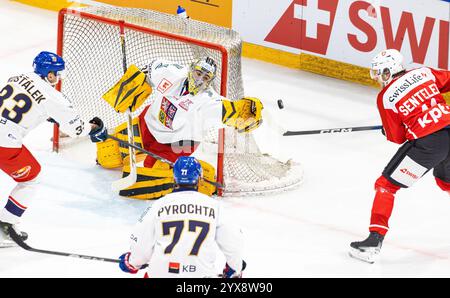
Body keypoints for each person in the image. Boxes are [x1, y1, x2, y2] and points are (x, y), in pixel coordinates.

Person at [96, 56, 263, 199]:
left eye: (205, 78)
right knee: (107, 154)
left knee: (152, 177)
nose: (199, 80)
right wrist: (134, 85)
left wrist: (248, 114)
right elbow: (148, 71)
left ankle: (198, 175)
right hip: (148, 124)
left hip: (177, 144)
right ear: (190, 69)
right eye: (198, 73)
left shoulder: (209, 100)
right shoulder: (170, 72)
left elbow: (231, 112)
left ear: (210, 81)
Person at [349, 49, 450, 263]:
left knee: (386, 185)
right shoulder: (424, 73)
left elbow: (397, 137)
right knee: (445, 180)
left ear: (388, 72)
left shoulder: (385, 97)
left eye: (379, 73)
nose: (377, 78)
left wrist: (388, 129)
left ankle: (373, 241)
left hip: (429, 144)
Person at [0, 51, 107, 246]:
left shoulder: (16, 77)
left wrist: (44, 114)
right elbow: (77, 129)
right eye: (56, 74)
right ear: (49, 74)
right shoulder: (54, 97)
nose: (57, 78)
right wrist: (95, 128)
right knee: (31, 179)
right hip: (5, 145)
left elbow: (23, 103)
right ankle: (5, 224)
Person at [118, 156, 246, 278]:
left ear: (174, 178)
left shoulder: (158, 205)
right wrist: (235, 268)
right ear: (199, 178)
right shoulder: (214, 207)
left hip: (162, 273)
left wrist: (133, 262)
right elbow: (233, 241)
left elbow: (141, 240)